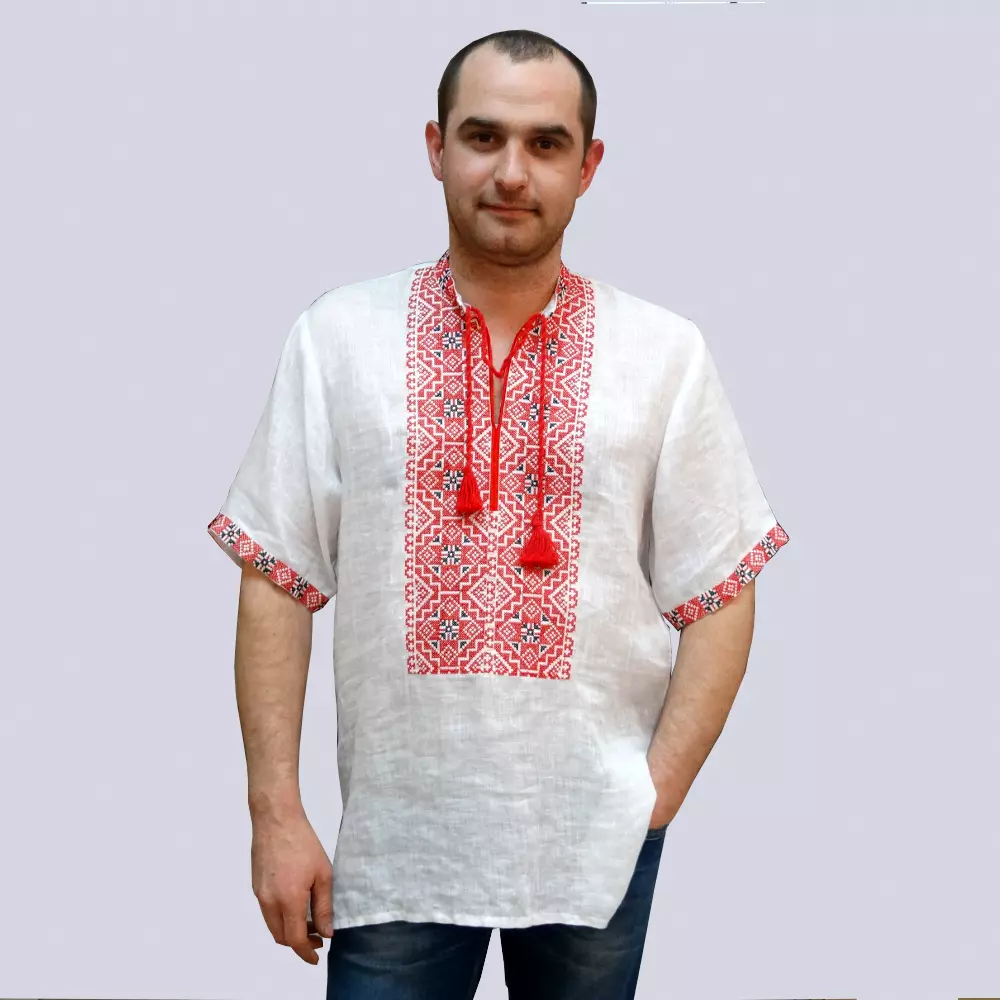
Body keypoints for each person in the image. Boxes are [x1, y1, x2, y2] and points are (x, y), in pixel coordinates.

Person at [206, 27, 790, 1000]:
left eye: (545, 143)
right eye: (483, 137)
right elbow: (276, 570)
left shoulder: (664, 355)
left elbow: (722, 581)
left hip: (594, 839)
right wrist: (275, 812)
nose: (511, 172)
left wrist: (655, 794)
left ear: (587, 166)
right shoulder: (338, 339)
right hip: (398, 841)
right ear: (435, 148)